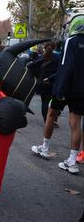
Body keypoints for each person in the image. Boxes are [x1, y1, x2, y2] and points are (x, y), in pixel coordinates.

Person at [53, 14, 84, 174]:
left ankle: (72, 161)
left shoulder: (70, 42)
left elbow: (66, 66)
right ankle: (76, 157)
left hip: (74, 90)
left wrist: (60, 91)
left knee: (74, 123)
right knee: (78, 125)